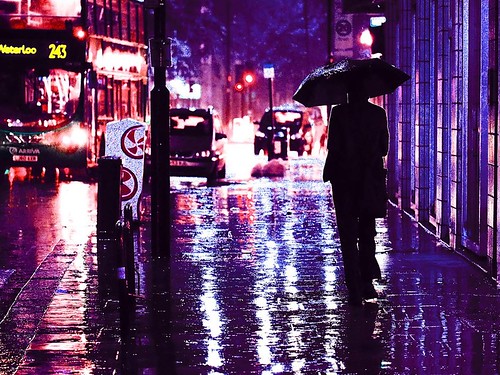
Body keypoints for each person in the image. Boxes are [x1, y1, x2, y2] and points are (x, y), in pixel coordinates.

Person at [323, 88, 389, 306]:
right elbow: (384, 148)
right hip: (369, 180)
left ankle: (353, 287)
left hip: (344, 182)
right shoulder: (377, 113)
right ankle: (368, 283)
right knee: (368, 233)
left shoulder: (339, 113)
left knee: (348, 236)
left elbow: (333, 146)